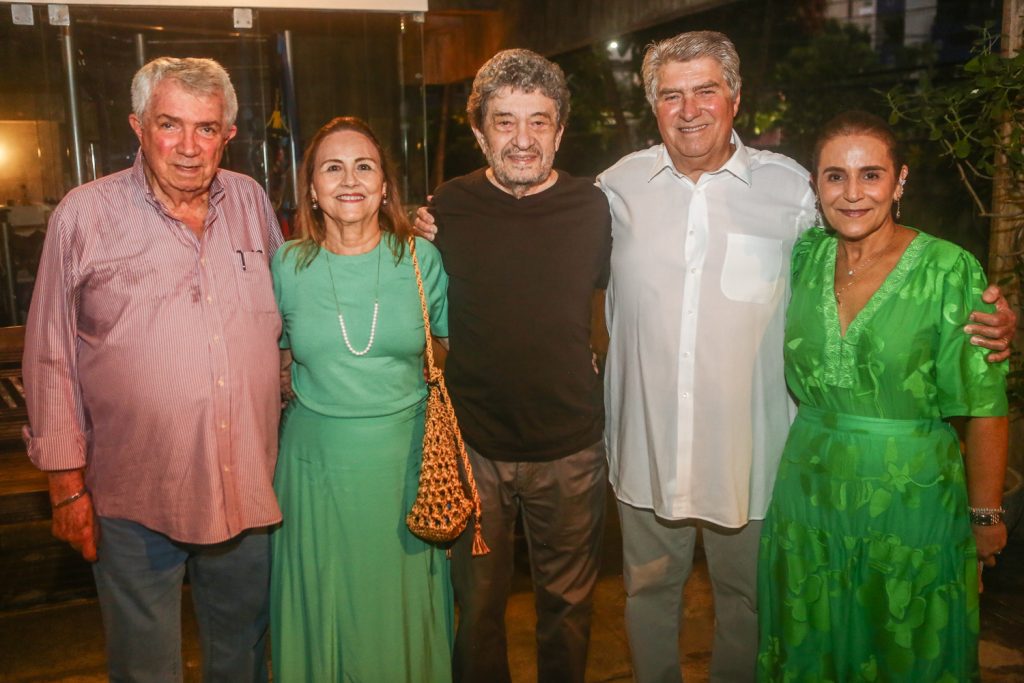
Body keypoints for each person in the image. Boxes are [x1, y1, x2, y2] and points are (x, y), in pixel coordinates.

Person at [595, 31, 1015, 683]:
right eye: (671, 95)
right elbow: (555, 255)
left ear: (736, 97)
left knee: (752, 605)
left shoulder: (791, 188)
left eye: (706, 90)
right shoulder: (615, 187)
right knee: (647, 596)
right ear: (653, 105)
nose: (690, 109)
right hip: (649, 446)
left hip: (757, 457)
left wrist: (991, 316)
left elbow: (885, 260)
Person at [22, 57, 282, 680]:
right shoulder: (83, 215)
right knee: (145, 669)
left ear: (227, 135)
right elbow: (50, 353)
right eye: (170, 124)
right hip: (133, 495)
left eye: (206, 128)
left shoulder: (250, 201)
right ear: (138, 127)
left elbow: (293, 313)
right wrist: (66, 487)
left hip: (247, 486)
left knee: (245, 658)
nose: (189, 147)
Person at [756, 110, 1008, 682]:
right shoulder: (803, 257)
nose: (853, 194)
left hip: (912, 505)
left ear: (899, 181)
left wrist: (986, 515)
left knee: (907, 649)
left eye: (871, 175)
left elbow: (987, 405)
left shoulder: (949, 271)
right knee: (812, 648)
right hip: (808, 499)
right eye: (835, 176)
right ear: (816, 186)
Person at [416, 49, 613, 683]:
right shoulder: (448, 207)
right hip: (475, 448)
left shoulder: (594, 209)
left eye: (538, 121)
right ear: (480, 133)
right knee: (476, 612)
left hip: (572, 448)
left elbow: (617, 303)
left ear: (560, 131)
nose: (522, 139)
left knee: (570, 609)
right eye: (505, 121)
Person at [269, 116, 453, 682]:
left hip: (406, 470)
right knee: (324, 606)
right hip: (314, 473)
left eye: (364, 166)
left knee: (398, 616)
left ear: (384, 185)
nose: (349, 180)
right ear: (312, 189)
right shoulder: (287, 266)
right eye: (333, 167)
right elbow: (276, 360)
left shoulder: (421, 260)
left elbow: (447, 352)